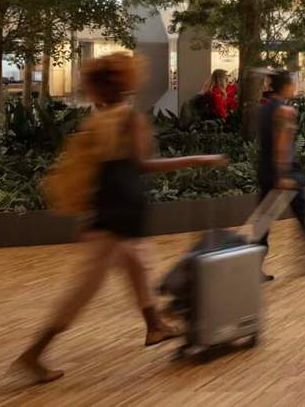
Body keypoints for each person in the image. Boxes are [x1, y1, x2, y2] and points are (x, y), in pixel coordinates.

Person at [14, 52, 228, 385]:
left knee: (138, 264)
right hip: (122, 214)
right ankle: (33, 354)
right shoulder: (129, 119)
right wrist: (199, 158)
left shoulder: (96, 121)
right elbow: (144, 165)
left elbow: (94, 173)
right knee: (84, 289)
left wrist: (88, 214)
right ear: (126, 83)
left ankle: (154, 326)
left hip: (108, 212)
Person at [257, 69, 305, 276]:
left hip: (264, 170)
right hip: (283, 173)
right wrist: (283, 175)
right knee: (302, 211)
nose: (295, 87)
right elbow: (282, 145)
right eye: (293, 83)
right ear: (286, 87)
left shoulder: (263, 109)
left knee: (263, 223)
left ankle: (253, 267)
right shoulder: (286, 112)